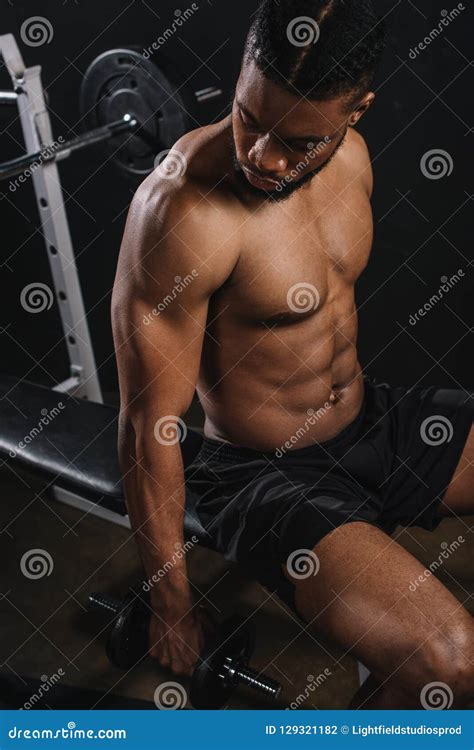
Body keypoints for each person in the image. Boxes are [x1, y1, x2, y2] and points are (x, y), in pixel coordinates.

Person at [112, 0, 473, 708]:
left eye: (300, 141)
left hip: (370, 422)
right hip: (259, 476)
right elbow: (146, 424)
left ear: (357, 111)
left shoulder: (354, 164)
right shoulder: (182, 213)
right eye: (251, 119)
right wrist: (172, 602)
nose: (263, 158)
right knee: (452, 664)